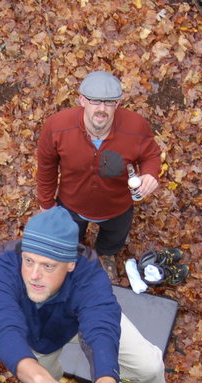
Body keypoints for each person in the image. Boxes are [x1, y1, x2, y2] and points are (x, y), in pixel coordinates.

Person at [0, 207, 175, 383]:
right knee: (44, 379)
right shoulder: (1, 268)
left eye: (48, 266)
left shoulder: (88, 272)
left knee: (147, 365)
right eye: (29, 261)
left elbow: (101, 329)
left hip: (80, 321)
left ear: (70, 264)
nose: (34, 275)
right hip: (36, 335)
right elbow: (3, 327)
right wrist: (44, 381)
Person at [35, 70, 162, 282]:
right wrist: (46, 204)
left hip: (117, 206)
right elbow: (46, 167)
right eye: (95, 101)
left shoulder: (135, 126)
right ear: (82, 100)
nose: (101, 109)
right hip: (71, 204)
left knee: (113, 238)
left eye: (108, 102)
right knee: (70, 237)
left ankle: (105, 254)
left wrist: (150, 174)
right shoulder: (57, 127)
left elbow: (151, 154)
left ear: (118, 103)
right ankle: (72, 254)